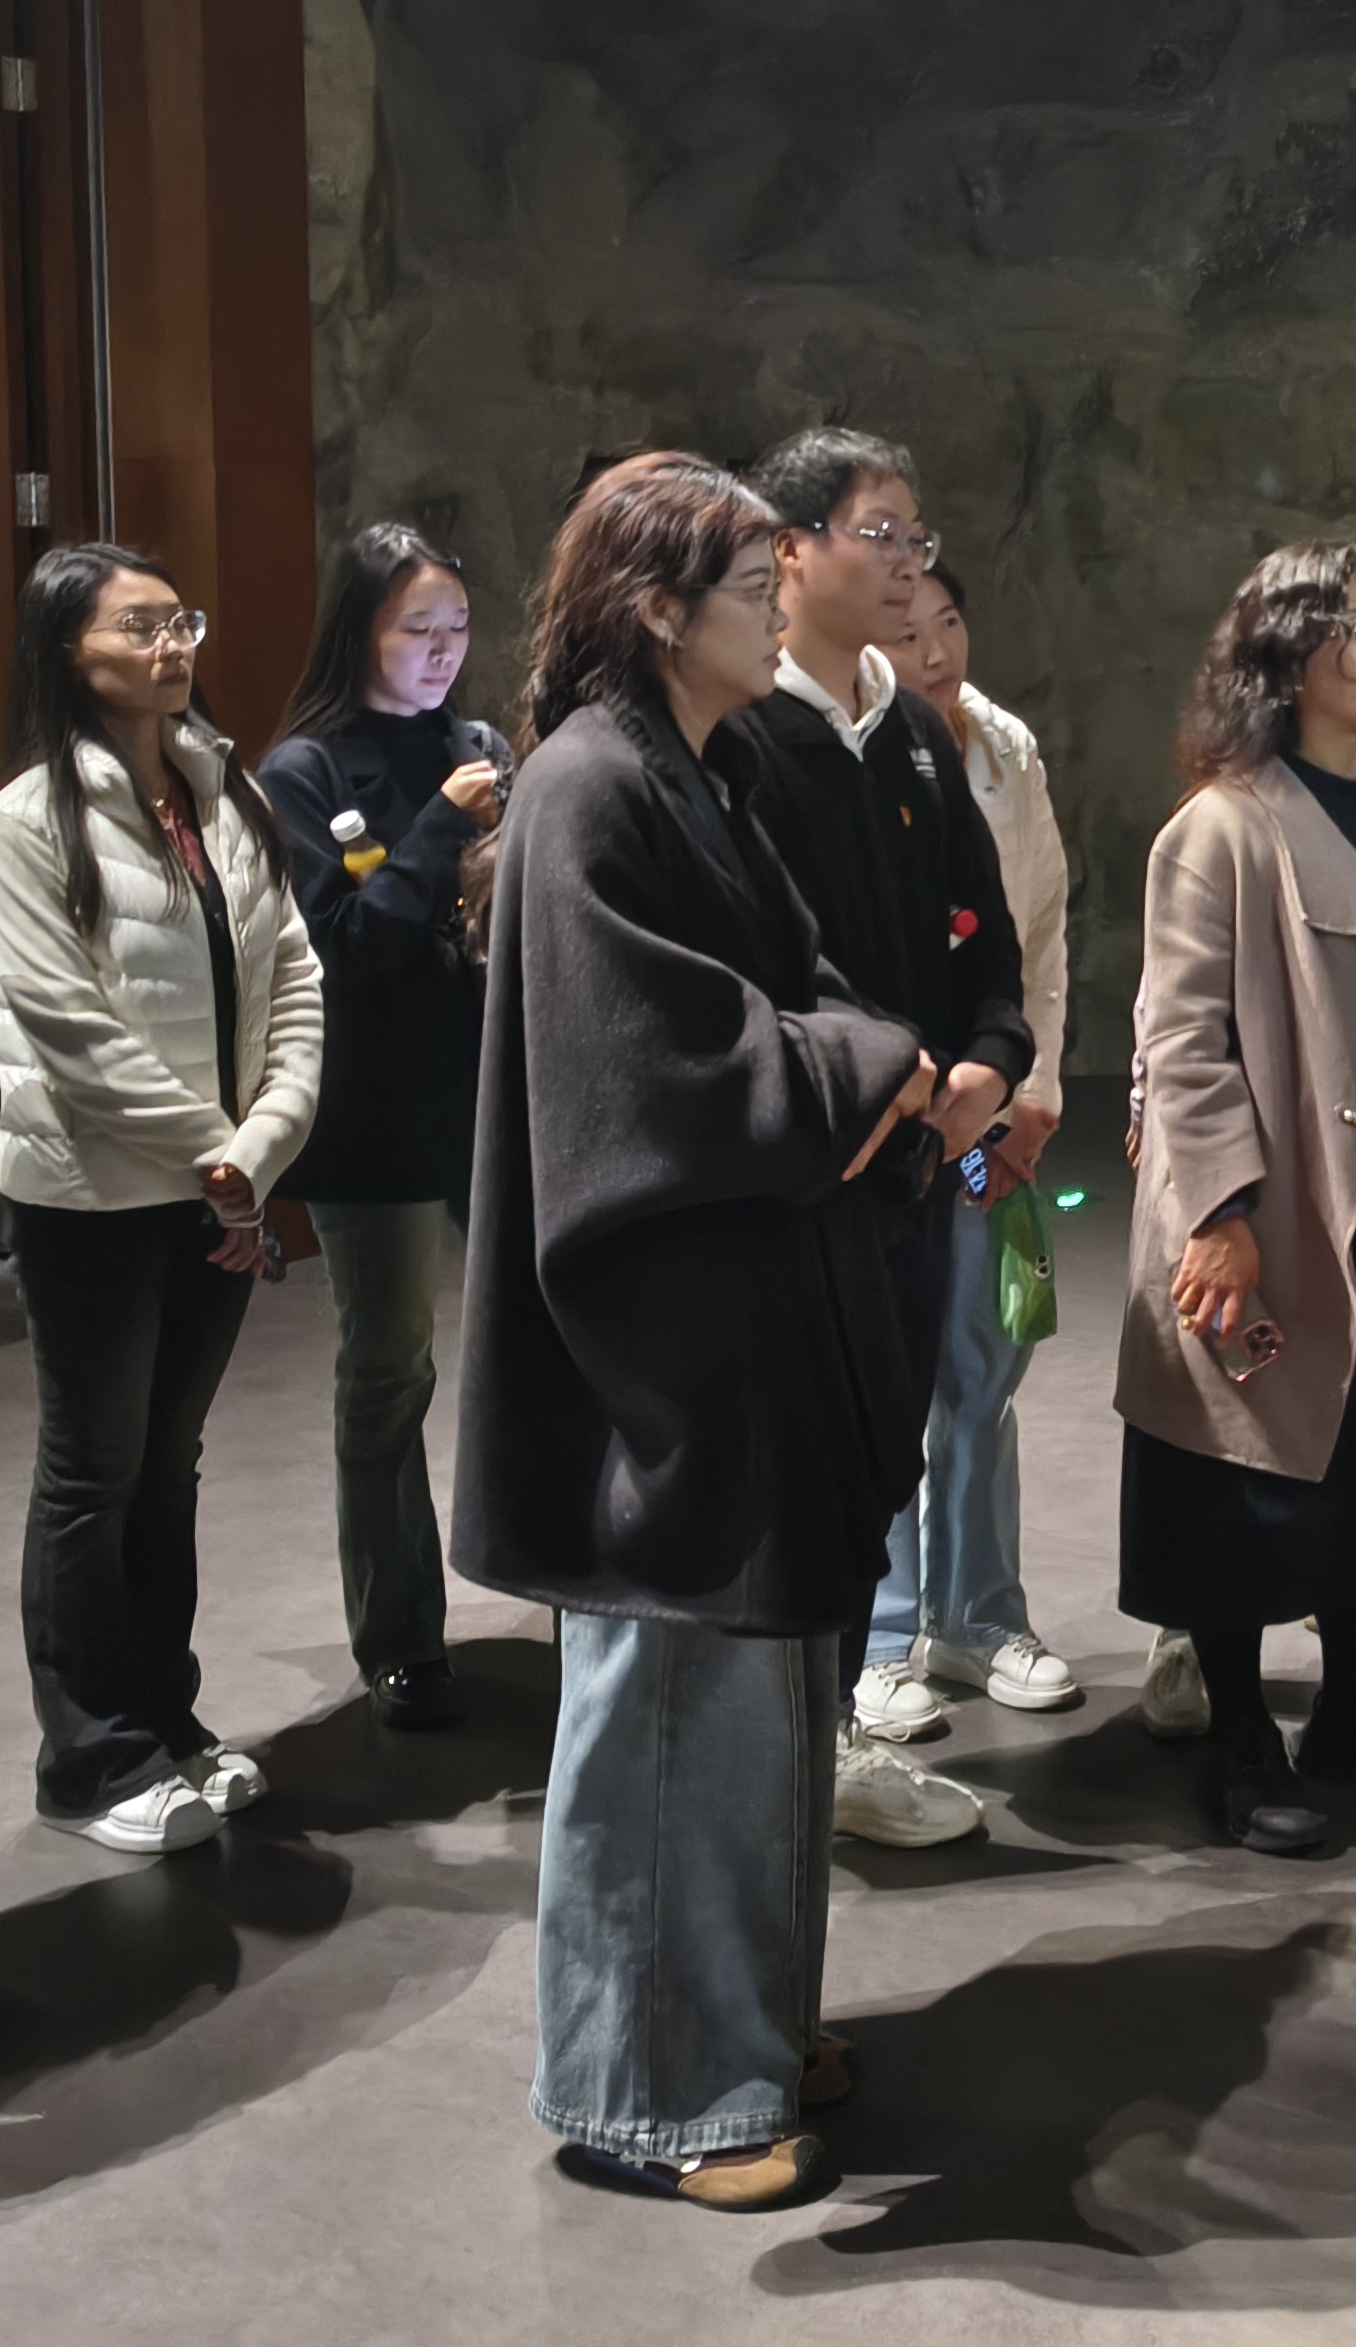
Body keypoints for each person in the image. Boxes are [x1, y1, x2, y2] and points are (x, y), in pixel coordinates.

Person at [451, 452, 940, 2213]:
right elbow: (662, 1065)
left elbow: (807, 993)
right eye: (748, 584)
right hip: (658, 1356)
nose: (776, 608)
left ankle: (743, 2026)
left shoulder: (706, 772)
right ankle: (652, 2092)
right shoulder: (591, 784)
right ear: (658, 608)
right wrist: (874, 1068)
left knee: (761, 1715)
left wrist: (870, 1058)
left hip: (746, 1323)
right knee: (672, 1719)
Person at [1123, 546, 1356, 1850]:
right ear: (1286, 655)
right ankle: (1241, 1734)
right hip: (1273, 1191)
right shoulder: (1223, 824)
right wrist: (1218, 1213)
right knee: (1242, 1460)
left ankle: (1353, 1704)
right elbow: (1182, 1040)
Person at [0, 546, 323, 1854]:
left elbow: (296, 982)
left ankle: (164, 1717)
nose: (172, 644)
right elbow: (69, 1031)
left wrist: (260, 1151)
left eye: (181, 621)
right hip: (93, 1194)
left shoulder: (226, 795)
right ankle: (91, 1754)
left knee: (167, 1466)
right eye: (138, 627)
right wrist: (220, 1163)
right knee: (93, 1470)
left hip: (218, 1189)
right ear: (67, 653)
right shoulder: (24, 821)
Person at [727, 427, 1032, 1850]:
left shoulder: (909, 727)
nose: (910, 564)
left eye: (919, 537)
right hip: (800, 1166)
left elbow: (985, 931)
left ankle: (840, 1722)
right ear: (789, 550)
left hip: (918, 1156)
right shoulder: (737, 732)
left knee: (886, 1443)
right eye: (881, 532)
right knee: (790, 1464)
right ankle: (784, 1751)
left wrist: (989, 1064)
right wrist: (879, 1080)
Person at [260, 522, 511, 1731]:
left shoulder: (480, 747)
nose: (442, 648)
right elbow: (342, 949)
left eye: (456, 625)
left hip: (490, 1095)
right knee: (388, 1373)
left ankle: (577, 1592)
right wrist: (444, 831)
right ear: (359, 629)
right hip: (372, 1109)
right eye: (417, 626)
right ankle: (400, 1636)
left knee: (543, 1342)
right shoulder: (303, 772)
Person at [865, 564, 1080, 1717]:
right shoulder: (843, 746)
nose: (936, 652)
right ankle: (881, 1634)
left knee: (985, 1361)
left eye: (948, 623)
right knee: (890, 1372)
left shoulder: (1003, 745)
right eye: (908, 634)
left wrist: (1029, 1092)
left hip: (993, 1107)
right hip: (891, 1117)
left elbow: (1037, 934)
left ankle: (980, 1615)